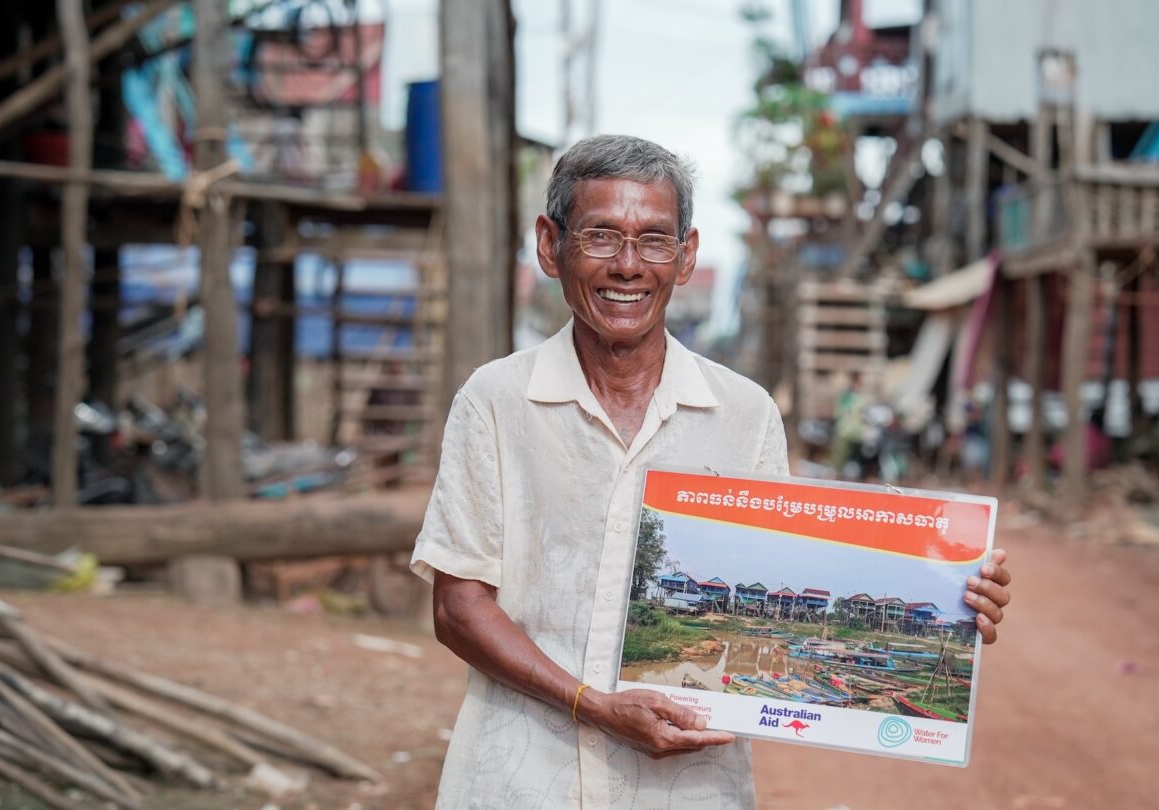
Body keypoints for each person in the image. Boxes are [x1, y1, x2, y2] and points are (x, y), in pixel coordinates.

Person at [410, 134, 1014, 809]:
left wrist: (947, 598)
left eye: (655, 241)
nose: (629, 266)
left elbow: (791, 578)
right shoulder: (495, 402)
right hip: (518, 783)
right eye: (602, 237)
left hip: (687, 793)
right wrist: (592, 705)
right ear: (551, 246)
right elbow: (458, 610)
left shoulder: (744, 414)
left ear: (687, 255)